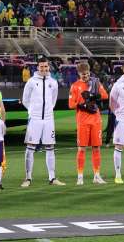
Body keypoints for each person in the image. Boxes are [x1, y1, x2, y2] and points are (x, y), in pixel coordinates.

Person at [21, 58, 64, 187]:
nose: (44, 69)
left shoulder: (53, 82)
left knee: (50, 147)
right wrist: (33, 111)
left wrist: (47, 111)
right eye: (41, 67)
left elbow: (53, 100)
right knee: (30, 147)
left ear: (48, 67)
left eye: (46, 66)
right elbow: (25, 100)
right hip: (35, 118)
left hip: (48, 119)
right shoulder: (31, 82)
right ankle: (28, 178)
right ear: (37, 67)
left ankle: (52, 178)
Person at [69, 62, 109, 185]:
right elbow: (71, 105)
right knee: (82, 149)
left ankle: (96, 176)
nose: (85, 76)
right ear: (79, 74)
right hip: (83, 121)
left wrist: (94, 95)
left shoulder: (95, 83)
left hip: (96, 120)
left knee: (96, 148)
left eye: (87, 73)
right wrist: (81, 105)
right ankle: (80, 177)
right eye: (83, 74)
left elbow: (105, 95)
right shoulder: (75, 86)